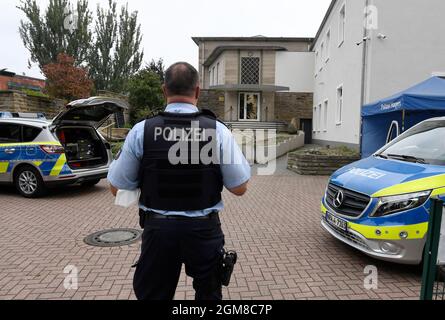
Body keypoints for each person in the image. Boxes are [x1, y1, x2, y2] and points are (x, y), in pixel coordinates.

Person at [107, 62, 251, 301]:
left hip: (158, 232)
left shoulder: (142, 131)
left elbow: (116, 187)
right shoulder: (218, 131)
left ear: (164, 90)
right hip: (203, 232)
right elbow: (239, 188)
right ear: (197, 91)